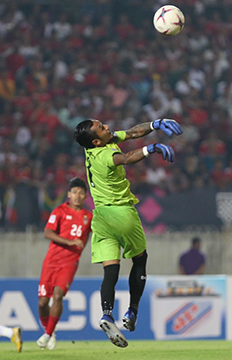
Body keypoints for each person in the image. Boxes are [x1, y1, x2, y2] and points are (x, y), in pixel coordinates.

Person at [73, 118, 182, 348]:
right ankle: (132, 311)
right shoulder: (104, 155)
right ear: (96, 140)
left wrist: (155, 124)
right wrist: (151, 148)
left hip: (101, 217)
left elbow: (131, 133)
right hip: (121, 213)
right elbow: (127, 158)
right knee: (140, 259)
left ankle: (106, 314)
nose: (106, 126)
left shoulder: (96, 147)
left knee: (110, 269)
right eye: (101, 128)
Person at [36, 177, 93, 350]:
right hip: (51, 261)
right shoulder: (59, 211)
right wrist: (69, 242)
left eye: (81, 193)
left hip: (69, 263)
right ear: (69, 194)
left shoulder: (88, 216)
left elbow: (96, 234)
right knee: (43, 302)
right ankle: (50, 331)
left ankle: (47, 335)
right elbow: (47, 233)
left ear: (85, 196)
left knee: (58, 295)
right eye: (74, 192)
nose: (77, 195)